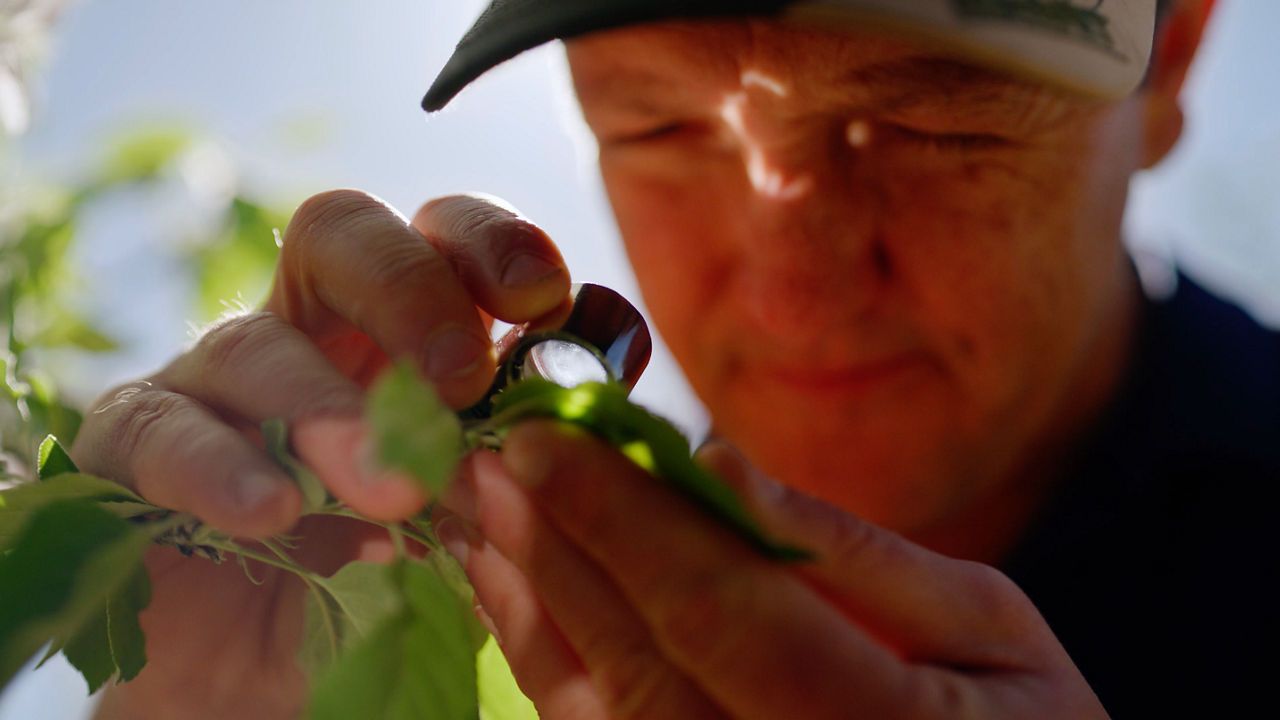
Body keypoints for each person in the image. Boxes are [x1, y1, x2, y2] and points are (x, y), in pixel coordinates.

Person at [70, 0, 1275, 717]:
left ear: (1169, 63)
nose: (788, 291)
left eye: (935, 125)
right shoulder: (498, 608)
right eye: (654, 126)